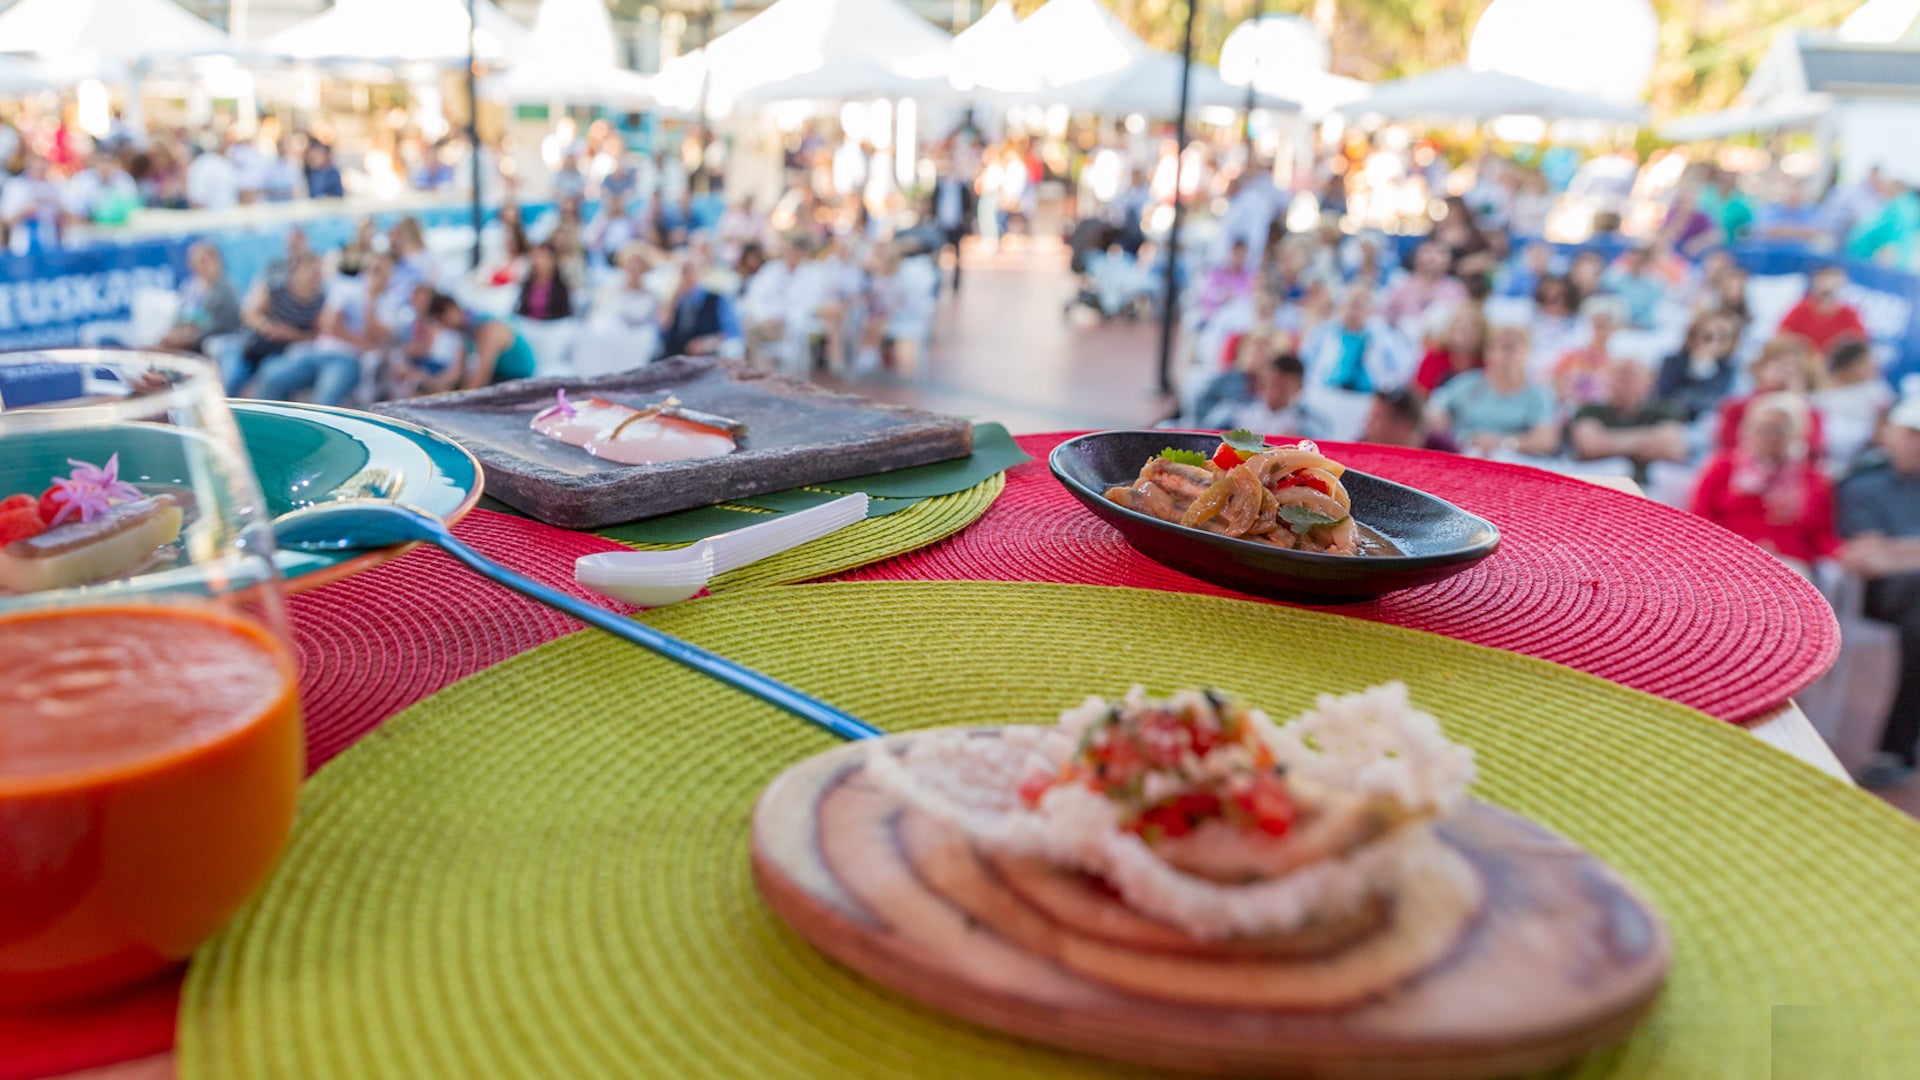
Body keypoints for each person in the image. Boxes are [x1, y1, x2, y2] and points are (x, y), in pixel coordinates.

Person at [1836, 398, 1920, 788]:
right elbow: (1866, 558)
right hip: (1876, 595)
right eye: (1911, 435)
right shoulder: (1863, 482)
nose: (1915, 445)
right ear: (1891, 434)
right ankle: (1897, 747)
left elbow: (1883, 553)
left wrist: (1896, 552)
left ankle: (1898, 746)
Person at [1691, 393, 1839, 572]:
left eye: (1781, 430)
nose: (1771, 437)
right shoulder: (1723, 467)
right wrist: (1740, 550)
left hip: (1787, 561)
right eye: (1764, 429)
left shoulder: (1812, 478)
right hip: (1727, 556)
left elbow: (1820, 534)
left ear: (1798, 434)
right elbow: (1699, 519)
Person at [255, 253, 397, 407]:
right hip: (318, 351)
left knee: (324, 401)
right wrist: (364, 344)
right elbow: (328, 322)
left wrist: (370, 299)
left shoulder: (393, 304)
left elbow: (376, 332)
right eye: (371, 268)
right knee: (271, 379)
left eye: (379, 270)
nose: (372, 273)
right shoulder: (347, 287)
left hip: (348, 361)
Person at [1425, 323, 1558, 456]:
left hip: (1514, 462)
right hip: (1464, 455)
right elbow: (1434, 408)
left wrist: (1503, 442)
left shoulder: (1538, 393)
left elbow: (1546, 441)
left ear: (1527, 353)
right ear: (1489, 352)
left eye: (1515, 347)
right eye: (1504, 347)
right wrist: (1442, 425)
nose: (1509, 354)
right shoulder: (1469, 383)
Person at [1566, 359, 1691, 483]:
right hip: (1599, 483)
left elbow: (1674, 449)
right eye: (1619, 376)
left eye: (1632, 377)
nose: (1625, 383)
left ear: (1647, 382)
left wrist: (1609, 442)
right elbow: (1590, 446)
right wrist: (1647, 437)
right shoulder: (1589, 410)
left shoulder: (1662, 411)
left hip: (1648, 486)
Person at [226, 253, 327, 394]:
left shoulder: (321, 300)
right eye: (311, 270)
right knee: (234, 378)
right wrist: (268, 327)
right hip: (256, 347)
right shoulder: (275, 288)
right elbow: (249, 314)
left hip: (286, 353)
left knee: (270, 378)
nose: (315, 275)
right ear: (296, 271)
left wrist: (291, 334)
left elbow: (318, 335)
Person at [1714, 337, 1824, 455]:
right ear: (1762, 368)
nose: (1786, 373)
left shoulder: (1811, 414)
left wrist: (1793, 403)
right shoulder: (1736, 408)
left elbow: (1812, 450)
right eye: (1780, 366)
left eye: (1795, 369)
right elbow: (1728, 447)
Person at [1300, 287, 1413, 395]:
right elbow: (1305, 363)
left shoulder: (1384, 338)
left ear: (1369, 310)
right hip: (1324, 393)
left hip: (1367, 397)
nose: (1352, 312)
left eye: (1358, 307)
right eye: (1349, 305)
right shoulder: (1323, 332)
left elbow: (1398, 373)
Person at [426, 293, 538, 389]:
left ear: (451, 310)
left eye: (441, 320)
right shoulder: (464, 331)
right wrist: (427, 384)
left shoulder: (488, 328)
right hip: (498, 377)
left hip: (518, 380)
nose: (445, 327)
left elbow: (482, 377)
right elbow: (456, 372)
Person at [1815, 340, 1893, 474]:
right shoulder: (1815, 395)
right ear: (1848, 365)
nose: (1872, 367)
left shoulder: (1877, 392)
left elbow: (1883, 430)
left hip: (1863, 461)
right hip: (1824, 460)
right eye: (1866, 363)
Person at [1204, 352, 1327, 438]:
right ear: (1261, 381)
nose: (1276, 391)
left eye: (1284, 387)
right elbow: (1207, 436)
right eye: (1272, 383)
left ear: (1299, 387)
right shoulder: (1235, 411)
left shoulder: (1310, 423)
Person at [1654, 312, 1741, 422]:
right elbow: (1664, 397)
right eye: (1696, 335)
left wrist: (1705, 367)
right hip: (1672, 421)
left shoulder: (1728, 369)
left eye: (1709, 338)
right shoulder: (1672, 363)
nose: (1701, 341)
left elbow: (1722, 402)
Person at [159, 242, 242, 354]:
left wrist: (192, 336)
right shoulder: (189, 287)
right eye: (195, 263)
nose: (199, 267)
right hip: (187, 337)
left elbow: (224, 324)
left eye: (203, 262)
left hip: (206, 340)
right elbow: (179, 316)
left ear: (216, 261)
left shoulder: (226, 289)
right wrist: (175, 334)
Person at [1550, 296, 1627, 409]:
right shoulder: (1571, 356)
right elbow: (1553, 384)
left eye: (1606, 325)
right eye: (1596, 324)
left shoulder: (1619, 360)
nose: (1600, 330)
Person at [659, 256, 742, 359]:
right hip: (675, 358)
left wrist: (706, 344)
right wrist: (672, 300)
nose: (684, 276)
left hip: (707, 359)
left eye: (688, 271)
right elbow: (662, 333)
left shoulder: (716, 299)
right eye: (680, 272)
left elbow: (732, 332)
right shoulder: (673, 300)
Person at [1778, 265, 1867, 355]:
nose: (1827, 284)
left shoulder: (1848, 314)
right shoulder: (1801, 310)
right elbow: (1782, 335)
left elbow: (1860, 342)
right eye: (1823, 279)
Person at [1381, 241, 1466, 330]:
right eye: (1427, 251)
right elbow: (1384, 315)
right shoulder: (1400, 282)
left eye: (1441, 253)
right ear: (1415, 257)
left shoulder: (1456, 288)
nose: (1432, 258)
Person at [1846, 169, 1920, 267]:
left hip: (1869, 261)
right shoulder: (1902, 205)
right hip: (1863, 257)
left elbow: (1894, 241)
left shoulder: (1903, 206)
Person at [1412, 305, 1486, 397]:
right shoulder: (1434, 358)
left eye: (1472, 328)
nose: (1465, 333)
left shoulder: (1485, 363)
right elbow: (1420, 394)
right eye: (1460, 328)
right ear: (1450, 329)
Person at [1360, 387, 1458, 453]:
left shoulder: (1444, 452)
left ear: (1403, 426)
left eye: (1377, 418)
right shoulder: (1363, 448)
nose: (1368, 423)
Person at [1, 155, 63, 255]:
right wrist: (25, 210)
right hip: (22, 245)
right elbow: (6, 221)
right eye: (35, 169)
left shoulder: (54, 187)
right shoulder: (15, 186)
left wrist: (58, 205)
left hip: (49, 245)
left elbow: (69, 219)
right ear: (27, 168)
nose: (39, 173)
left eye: (42, 169)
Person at [931, 159, 973, 293]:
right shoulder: (939, 186)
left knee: (957, 256)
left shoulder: (962, 187)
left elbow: (968, 206)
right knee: (938, 256)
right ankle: (937, 284)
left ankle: (956, 285)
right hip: (941, 225)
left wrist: (966, 221)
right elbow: (933, 203)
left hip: (957, 226)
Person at [1602, 246, 1665, 329]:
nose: (1637, 262)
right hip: (1614, 329)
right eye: (1634, 257)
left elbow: (1655, 313)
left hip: (1642, 331)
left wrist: (1639, 324)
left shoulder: (1655, 286)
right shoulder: (1612, 280)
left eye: (1641, 259)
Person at [514, 242, 574, 322]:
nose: (539, 261)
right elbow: (521, 310)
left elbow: (564, 316)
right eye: (536, 257)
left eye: (543, 257)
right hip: (528, 328)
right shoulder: (527, 285)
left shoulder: (560, 288)